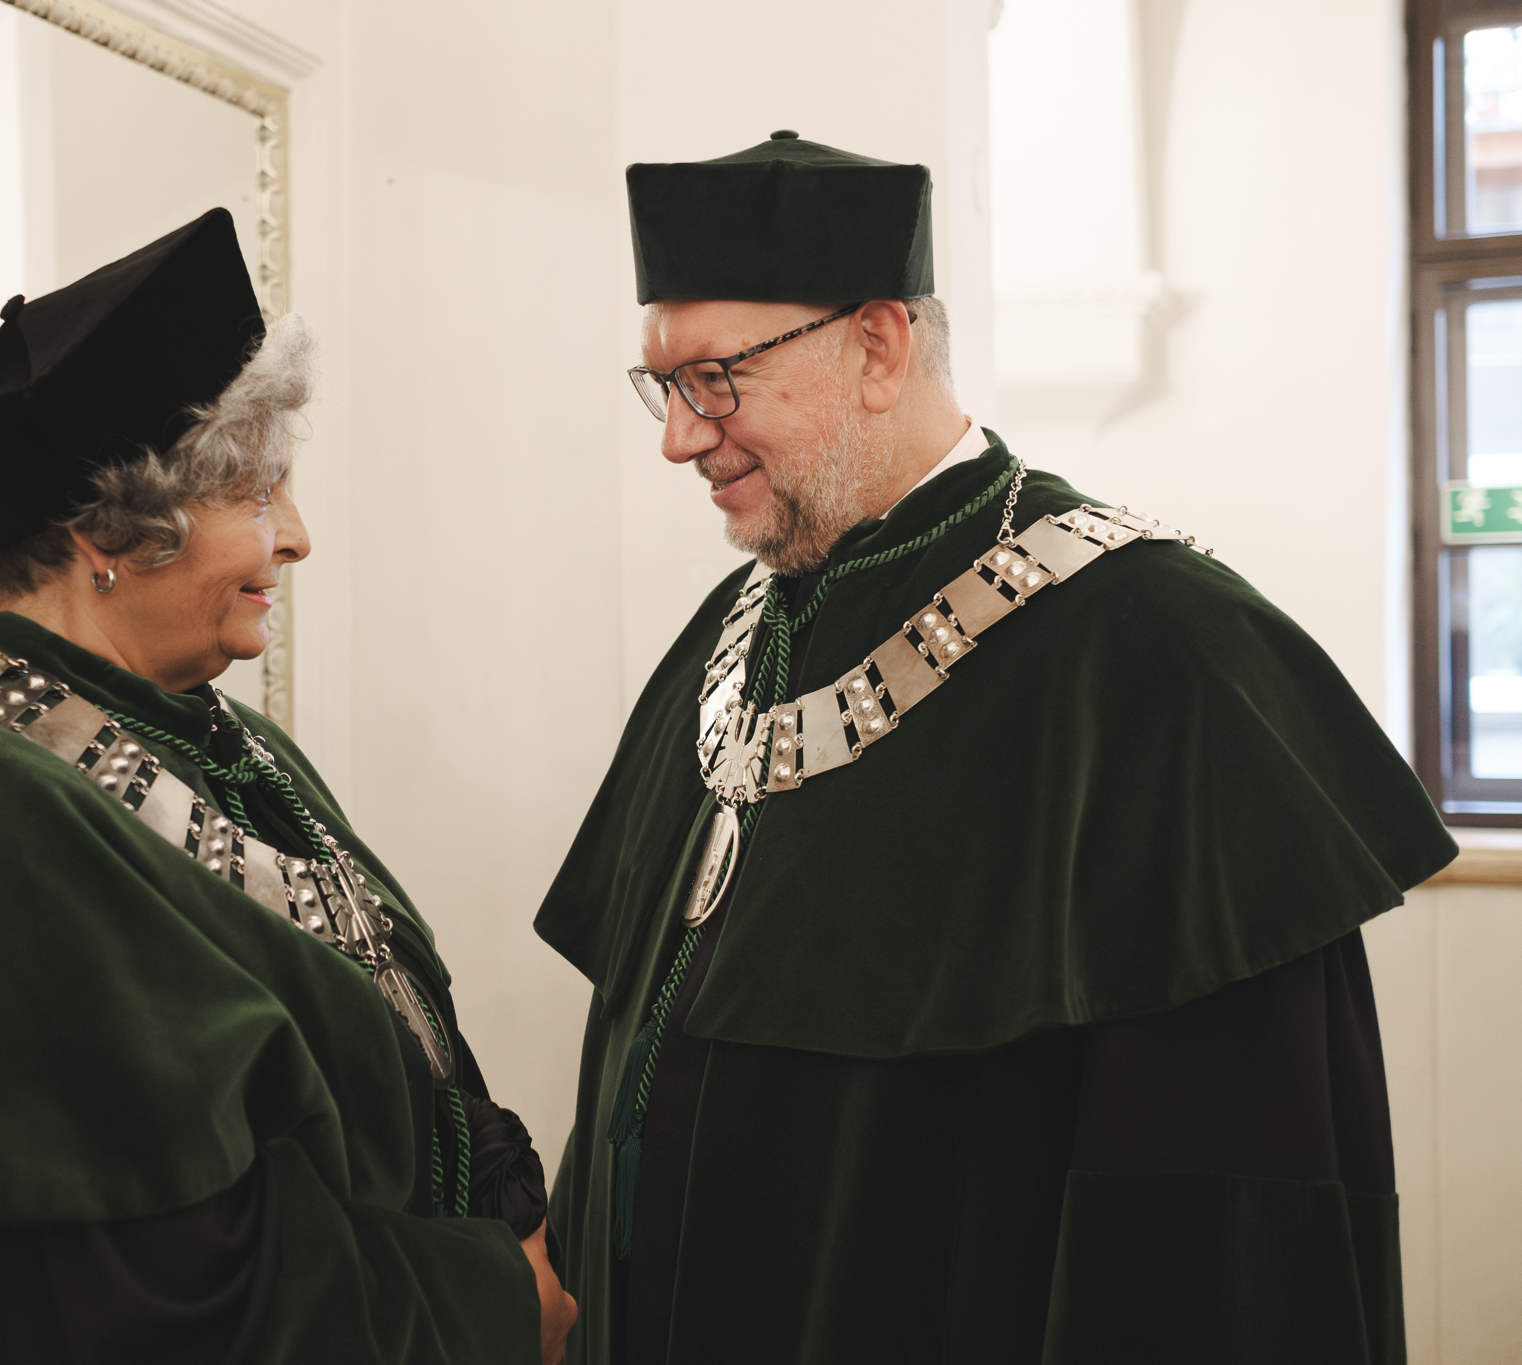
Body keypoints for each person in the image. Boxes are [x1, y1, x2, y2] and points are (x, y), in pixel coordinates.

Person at [536, 132, 1456, 1365]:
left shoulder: (1159, 645)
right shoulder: (737, 628)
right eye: (663, 386)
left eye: (714, 379)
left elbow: (1216, 1223)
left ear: (877, 345)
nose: (678, 438)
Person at [0, 208, 575, 1365]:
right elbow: (121, 1297)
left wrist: (512, 1222)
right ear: (110, 531)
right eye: (255, 494)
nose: (295, 536)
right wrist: (488, 1300)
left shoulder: (226, 742)